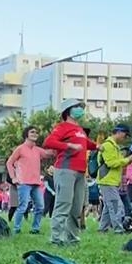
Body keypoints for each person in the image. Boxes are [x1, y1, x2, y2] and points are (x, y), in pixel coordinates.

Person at [42, 99, 99, 246]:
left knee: (77, 207)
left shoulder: (79, 129)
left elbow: (86, 143)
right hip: (65, 170)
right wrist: (69, 145)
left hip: (80, 172)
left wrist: (97, 146)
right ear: (68, 110)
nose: (80, 109)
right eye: (77, 107)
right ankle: (56, 238)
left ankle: (72, 238)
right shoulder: (62, 127)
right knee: (63, 204)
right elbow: (49, 142)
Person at [6, 126, 55, 234]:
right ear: (26, 134)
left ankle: (35, 229)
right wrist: (13, 178)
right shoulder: (20, 148)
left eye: (37, 132)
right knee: (23, 207)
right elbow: (9, 163)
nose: (35, 134)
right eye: (32, 132)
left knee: (40, 206)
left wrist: (59, 142)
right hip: (23, 182)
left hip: (36, 183)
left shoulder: (37, 150)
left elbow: (49, 153)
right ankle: (16, 229)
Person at [94, 124, 132, 233]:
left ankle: (102, 228)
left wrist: (129, 159)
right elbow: (111, 163)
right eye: (125, 135)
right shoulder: (108, 145)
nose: (125, 138)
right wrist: (129, 159)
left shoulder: (115, 146)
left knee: (108, 206)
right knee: (116, 205)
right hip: (107, 179)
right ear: (119, 132)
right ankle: (118, 229)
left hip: (111, 180)